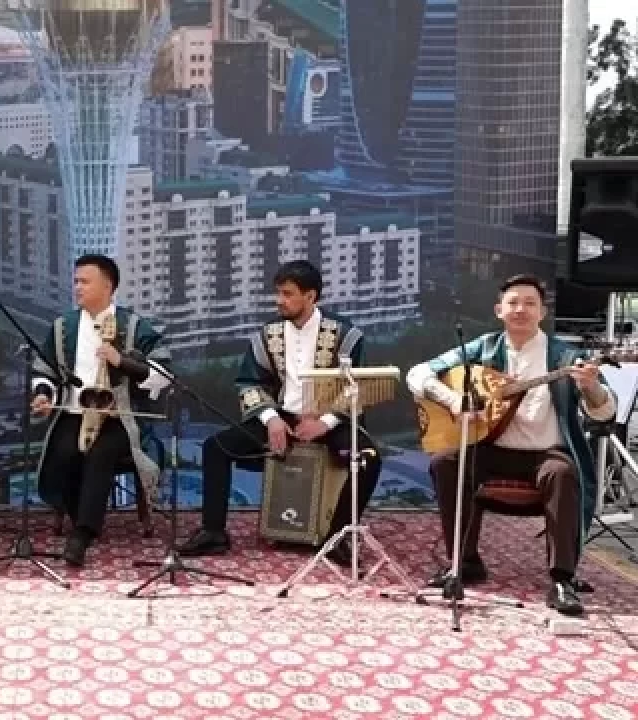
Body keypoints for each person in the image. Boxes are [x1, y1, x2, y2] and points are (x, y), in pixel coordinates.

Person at [406, 274, 616, 617]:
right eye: (513, 303)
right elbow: (417, 374)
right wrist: (454, 400)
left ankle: (562, 579)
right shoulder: (485, 348)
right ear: (499, 310)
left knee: (562, 473)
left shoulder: (566, 357)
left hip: (545, 453)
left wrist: (591, 387)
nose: (521, 310)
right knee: (445, 461)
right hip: (492, 448)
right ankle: (464, 562)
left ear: (542, 312)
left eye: (530, 303)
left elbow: (606, 412)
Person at [179, 260, 380, 563]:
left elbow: (358, 387)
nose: (279, 301)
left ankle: (337, 538)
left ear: (310, 296)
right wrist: (271, 418)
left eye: (287, 294)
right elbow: (249, 383)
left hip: (330, 419)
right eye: (278, 293)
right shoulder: (267, 335)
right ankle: (213, 532)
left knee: (368, 459)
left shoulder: (346, 336)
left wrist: (324, 422)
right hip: (282, 415)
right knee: (215, 448)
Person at [31, 254, 171, 567]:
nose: (77, 287)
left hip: (120, 416)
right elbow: (44, 371)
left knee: (100, 452)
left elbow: (163, 374)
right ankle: (78, 514)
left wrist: (122, 361)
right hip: (74, 411)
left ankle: (82, 534)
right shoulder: (63, 327)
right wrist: (43, 394)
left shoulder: (133, 327)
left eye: (85, 281)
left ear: (107, 286)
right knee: (64, 451)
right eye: (76, 281)